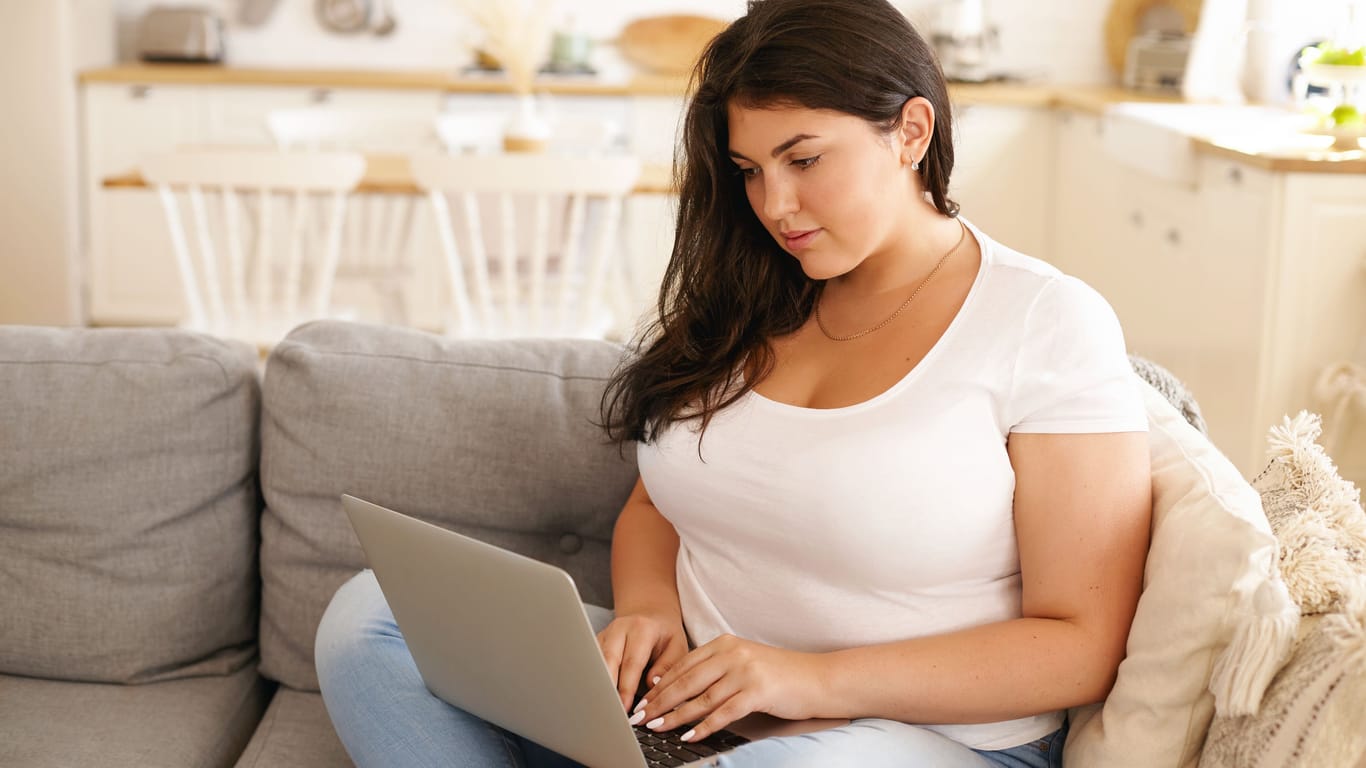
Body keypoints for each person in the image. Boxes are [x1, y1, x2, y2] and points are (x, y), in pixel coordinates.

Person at [314, 0, 1153, 765]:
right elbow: (661, 500)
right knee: (370, 617)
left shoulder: (1046, 321)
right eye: (750, 169)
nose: (777, 205)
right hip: (686, 713)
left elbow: (1079, 644)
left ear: (911, 131)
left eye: (804, 158)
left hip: (910, 741)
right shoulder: (750, 294)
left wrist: (812, 682)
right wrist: (648, 613)